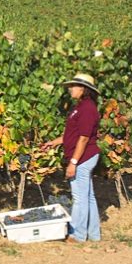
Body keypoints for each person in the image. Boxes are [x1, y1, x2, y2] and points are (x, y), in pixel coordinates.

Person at [41, 73, 101, 243]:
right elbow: (72, 135)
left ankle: (78, 235)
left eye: (73, 86)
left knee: (80, 197)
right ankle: (94, 234)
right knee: (88, 196)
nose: (70, 89)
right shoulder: (81, 107)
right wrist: (54, 142)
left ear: (83, 89)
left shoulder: (87, 109)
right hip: (83, 156)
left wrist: (73, 162)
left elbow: (83, 138)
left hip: (83, 157)